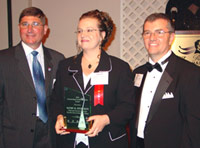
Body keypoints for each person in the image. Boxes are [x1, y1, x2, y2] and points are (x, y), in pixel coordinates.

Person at [50, 9, 135, 148]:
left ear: (102, 35)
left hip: (107, 140)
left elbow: (128, 107)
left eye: (89, 30)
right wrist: (59, 117)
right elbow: (55, 101)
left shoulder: (119, 68)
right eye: (80, 31)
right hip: (70, 141)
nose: (83, 34)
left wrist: (106, 119)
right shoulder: (65, 66)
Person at [129, 13, 200, 148]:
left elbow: (195, 126)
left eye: (159, 32)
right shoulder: (137, 73)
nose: (152, 38)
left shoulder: (190, 73)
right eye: (147, 33)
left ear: (171, 37)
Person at [0, 7, 65, 148]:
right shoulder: (3, 60)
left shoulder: (58, 59)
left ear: (45, 29)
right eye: (24, 24)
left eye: (35, 24)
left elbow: (61, 98)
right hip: (15, 137)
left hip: (50, 135)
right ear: (19, 28)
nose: (29, 29)